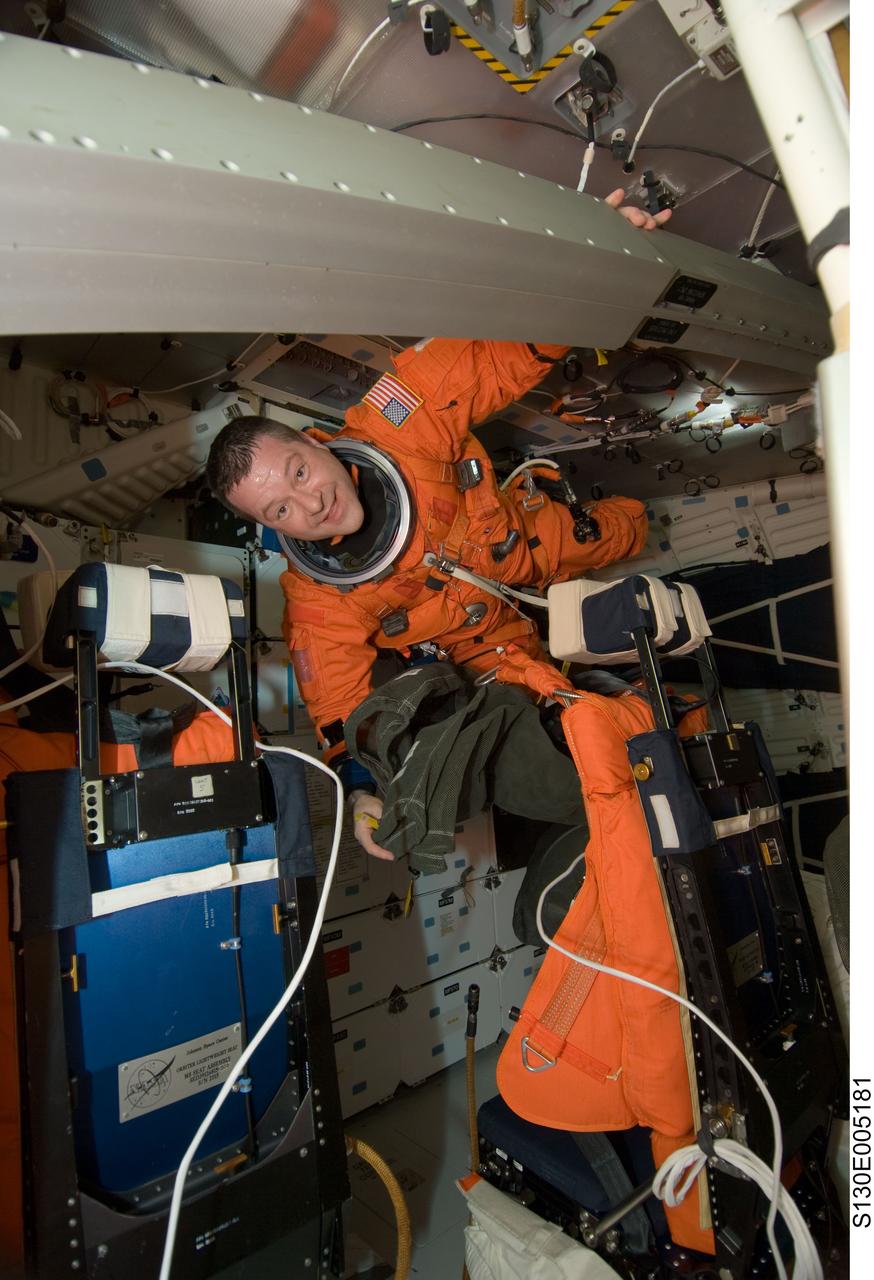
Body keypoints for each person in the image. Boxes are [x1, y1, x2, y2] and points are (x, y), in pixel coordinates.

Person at [207, 191, 670, 857]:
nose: (308, 507)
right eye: (279, 510)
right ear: (269, 528)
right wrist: (364, 790)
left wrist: (586, 266)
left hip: (520, 539)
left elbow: (488, 351)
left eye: (300, 474)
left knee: (630, 527)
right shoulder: (319, 602)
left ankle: (617, 528)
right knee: (570, 729)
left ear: (315, 442)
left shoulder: (396, 427)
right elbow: (339, 712)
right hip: (487, 643)